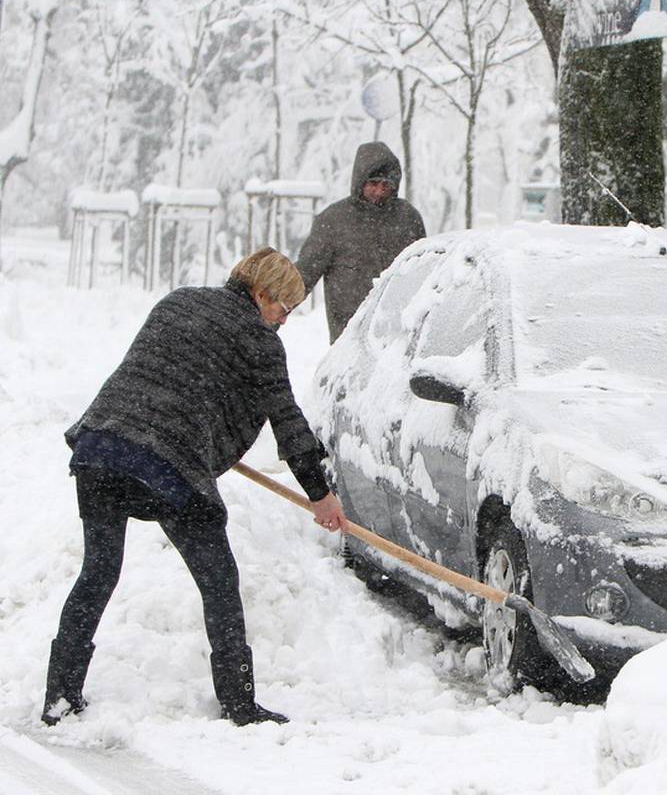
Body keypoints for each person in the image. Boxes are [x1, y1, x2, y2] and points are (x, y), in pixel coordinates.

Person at [43, 247, 348, 727]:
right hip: (167, 465)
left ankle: (59, 695)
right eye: (284, 308)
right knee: (219, 581)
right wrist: (320, 494)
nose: (285, 319)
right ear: (261, 293)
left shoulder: (177, 301)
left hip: (102, 449)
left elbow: (162, 378)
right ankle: (239, 702)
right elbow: (288, 423)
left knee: (98, 572)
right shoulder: (260, 341)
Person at [297, 141, 426, 342]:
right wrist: (269, 317)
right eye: (373, 184)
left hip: (399, 338)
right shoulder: (333, 221)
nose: (379, 191)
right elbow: (303, 275)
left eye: (386, 185)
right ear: (360, 182)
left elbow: (425, 273)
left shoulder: (408, 219)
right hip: (349, 337)